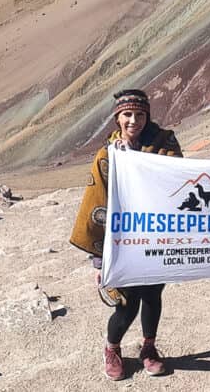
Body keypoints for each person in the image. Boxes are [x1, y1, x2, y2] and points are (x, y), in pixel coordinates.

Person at [70, 89, 183, 381]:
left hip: (157, 237)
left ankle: (148, 348)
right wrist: (99, 261)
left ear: (148, 115)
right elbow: (97, 204)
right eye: (128, 115)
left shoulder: (164, 144)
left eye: (140, 114)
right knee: (126, 302)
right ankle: (112, 348)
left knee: (153, 295)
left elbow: (179, 178)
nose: (134, 121)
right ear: (118, 118)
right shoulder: (107, 156)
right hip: (123, 245)